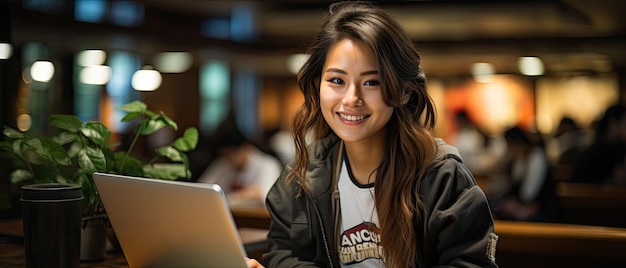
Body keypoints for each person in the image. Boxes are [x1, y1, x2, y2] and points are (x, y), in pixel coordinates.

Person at [263, 2, 498, 267]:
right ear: (317, 86)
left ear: (404, 91)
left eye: (372, 82)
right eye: (337, 81)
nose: (352, 99)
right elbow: (280, 252)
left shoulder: (442, 179)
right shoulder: (303, 177)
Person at [197, 127, 283, 207]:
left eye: (231, 155)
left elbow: (264, 194)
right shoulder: (223, 164)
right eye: (225, 155)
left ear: (245, 148)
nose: (229, 159)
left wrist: (234, 197)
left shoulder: (268, 164)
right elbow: (203, 188)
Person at [489, 126, 559, 222]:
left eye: (510, 145)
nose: (508, 150)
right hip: (525, 207)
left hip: (543, 210)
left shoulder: (537, 157)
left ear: (519, 143)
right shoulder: (519, 160)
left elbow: (529, 195)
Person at [569, 104, 626, 184]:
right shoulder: (613, 148)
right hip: (589, 195)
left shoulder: (597, 146)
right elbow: (621, 178)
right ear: (613, 123)